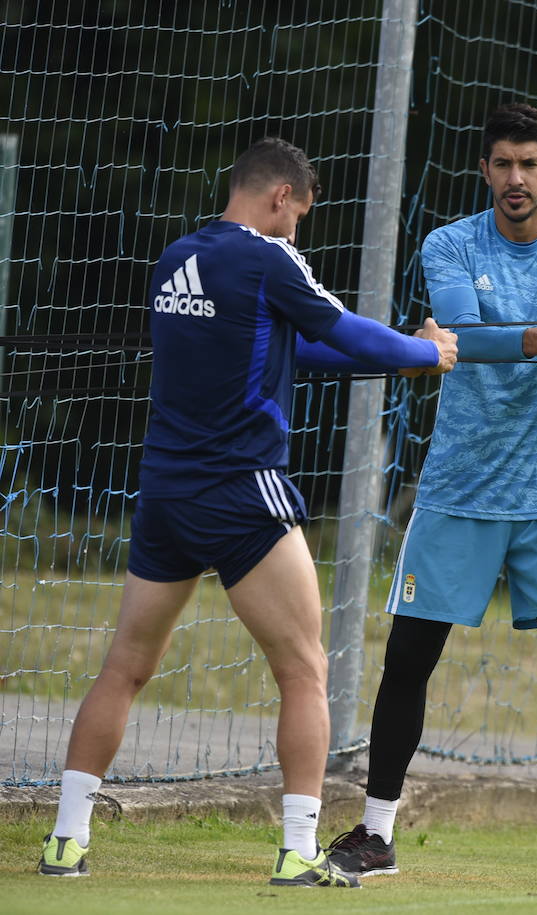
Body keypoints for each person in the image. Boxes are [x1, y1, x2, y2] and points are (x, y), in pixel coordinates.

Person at [36, 138, 459, 887]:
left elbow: (300, 353)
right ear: (280, 198)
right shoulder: (269, 257)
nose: (300, 232)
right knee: (304, 668)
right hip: (241, 491)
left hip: (164, 493)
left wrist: (395, 357)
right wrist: (423, 353)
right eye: (300, 215)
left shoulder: (176, 259)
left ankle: (66, 840)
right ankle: (298, 850)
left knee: (125, 667)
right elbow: (341, 330)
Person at [325, 103, 537, 890]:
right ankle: (379, 832)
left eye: (531, 164)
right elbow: (454, 338)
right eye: (503, 164)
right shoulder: (450, 243)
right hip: (458, 489)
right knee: (409, 659)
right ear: (486, 171)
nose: (516, 178)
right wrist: (535, 339)